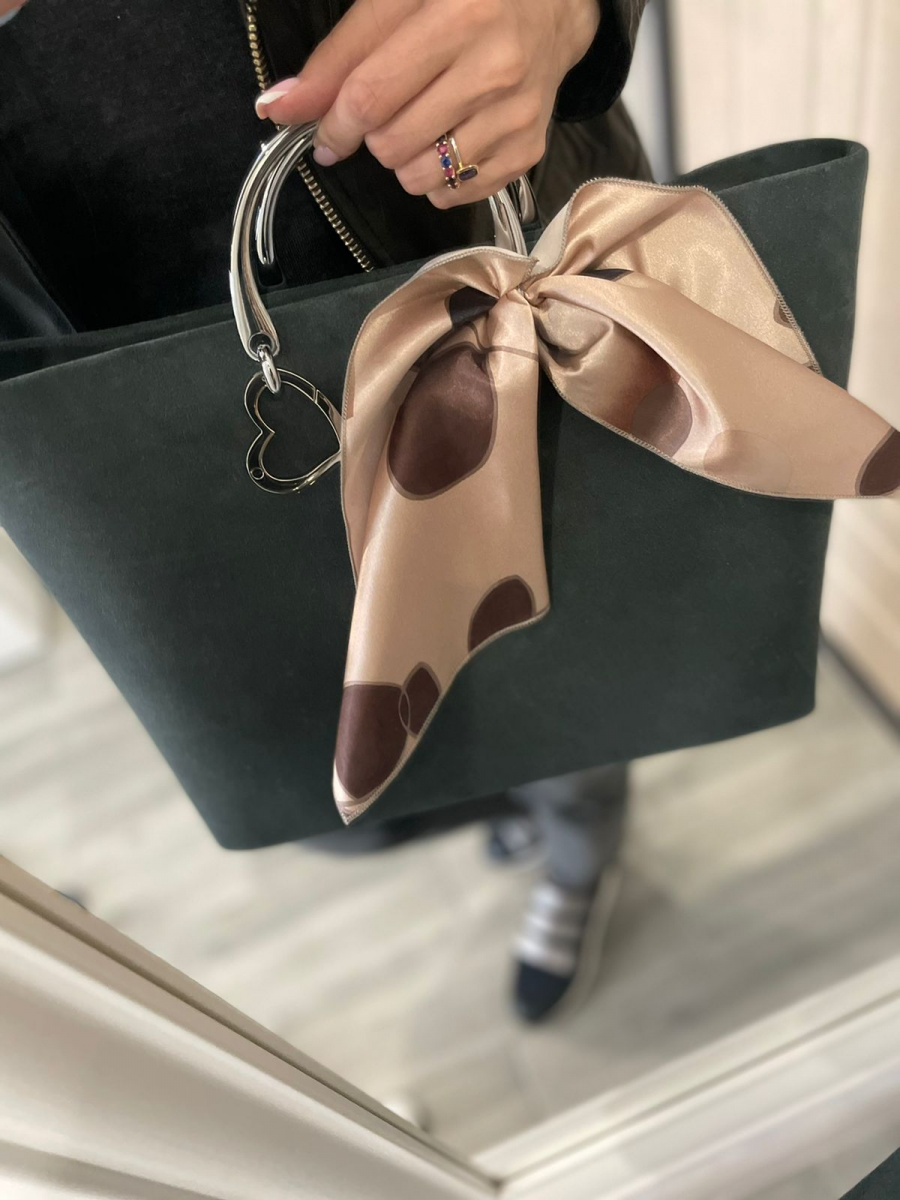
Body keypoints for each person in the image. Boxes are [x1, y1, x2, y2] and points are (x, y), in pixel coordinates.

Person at [0, 0, 648, 1021]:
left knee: (565, 648)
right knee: (332, 771)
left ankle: (580, 844)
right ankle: (528, 795)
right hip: (129, 395)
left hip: (477, 256)